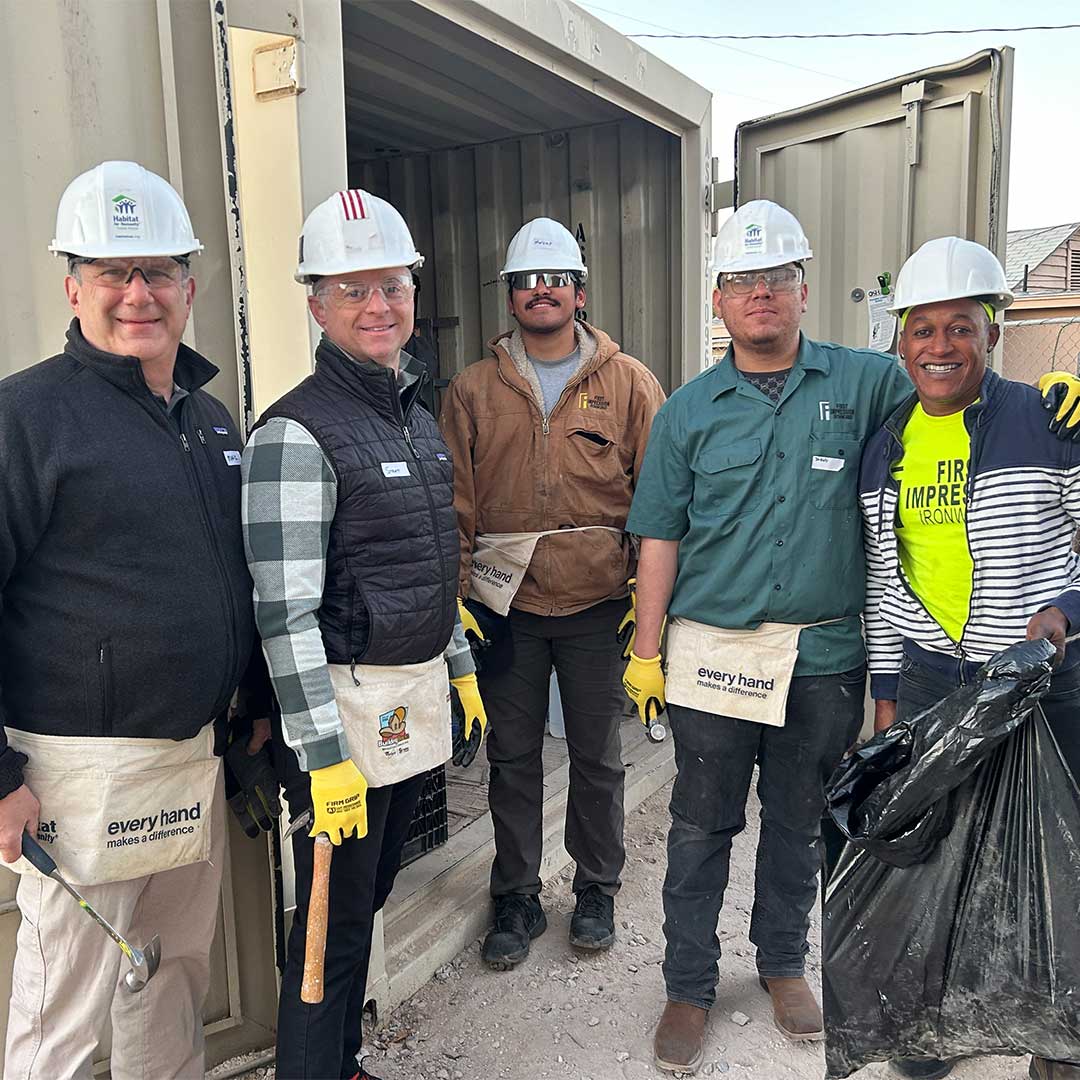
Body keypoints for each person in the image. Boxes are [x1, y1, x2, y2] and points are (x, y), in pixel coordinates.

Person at [622, 200, 914, 1074]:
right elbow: (660, 537)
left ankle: (783, 963)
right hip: (713, 656)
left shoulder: (866, 384)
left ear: (802, 289)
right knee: (700, 826)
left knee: (797, 823)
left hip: (823, 655)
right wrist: (644, 653)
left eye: (776, 280)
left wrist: (1030, 415)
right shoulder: (687, 412)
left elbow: (951, 403)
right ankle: (687, 984)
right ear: (717, 301)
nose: (760, 296)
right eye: (742, 282)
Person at [0, 160, 272, 1079]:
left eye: (157, 270)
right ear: (73, 284)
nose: (138, 294)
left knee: (168, 974)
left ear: (190, 286)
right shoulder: (25, 419)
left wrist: (255, 701)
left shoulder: (211, 422)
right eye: (114, 272)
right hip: (82, 773)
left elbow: (233, 578)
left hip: (190, 753)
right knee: (66, 1007)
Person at [242, 188, 487, 1080]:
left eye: (392, 285)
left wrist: (459, 669)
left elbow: (431, 565)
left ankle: (341, 1064)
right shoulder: (295, 434)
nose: (379, 306)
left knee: (370, 897)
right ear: (316, 305)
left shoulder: (417, 420)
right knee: (330, 926)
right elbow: (284, 610)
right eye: (353, 290)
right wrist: (321, 756)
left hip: (408, 698)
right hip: (343, 714)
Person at [860, 236, 1080, 1080]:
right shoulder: (888, 448)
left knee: (1051, 864)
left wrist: (1063, 612)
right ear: (901, 340)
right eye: (923, 329)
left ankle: (1056, 1040)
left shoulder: (1047, 421)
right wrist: (886, 710)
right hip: (931, 683)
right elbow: (885, 584)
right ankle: (929, 1026)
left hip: (1040, 684)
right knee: (935, 861)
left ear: (992, 332)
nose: (941, 346)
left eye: (961, 326)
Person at [439, 217, 666, 970]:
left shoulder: (628, 382)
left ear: (579, 292)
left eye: (555, 279)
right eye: (527, 281)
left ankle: (596, 887)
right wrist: (459, 603)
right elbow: (457, 505)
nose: (541, 291)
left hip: (599, 603)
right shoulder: (473, 391)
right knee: (512, 757)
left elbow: (659, 499)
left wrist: (647, 607)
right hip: (506, 611)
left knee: (599, 757)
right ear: (510, 297)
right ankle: (517, 895)